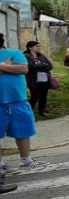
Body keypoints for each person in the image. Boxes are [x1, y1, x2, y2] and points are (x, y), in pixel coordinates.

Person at [0, 32, 39, 176]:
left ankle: (26, 160)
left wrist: (1, 66)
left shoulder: (14, 53)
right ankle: (1, 164)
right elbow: (16, 69)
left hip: (18, 101)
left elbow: (23, 69)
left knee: (23, 131)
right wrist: (6, 67)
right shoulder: (11, 57)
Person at [24, 41, 53, 117]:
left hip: (44, 79)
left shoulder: (41, 56)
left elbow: (50, 66)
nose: (39, 48)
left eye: (39, 46)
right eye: (37, 46)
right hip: (33, 79)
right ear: (30, 47)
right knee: (35, 96)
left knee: (43, 96)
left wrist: (40, 66)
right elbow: (31, 67)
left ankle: (42, 112)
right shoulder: (26, 56)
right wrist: (43, 65)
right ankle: (28, 112)